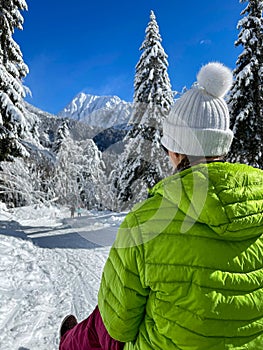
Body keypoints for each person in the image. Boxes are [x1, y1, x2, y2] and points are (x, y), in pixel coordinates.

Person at [59, 62, 263, 349]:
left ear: (176, 151)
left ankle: (68, 343)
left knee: (105, 322)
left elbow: (119, 326)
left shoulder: (146, 222)